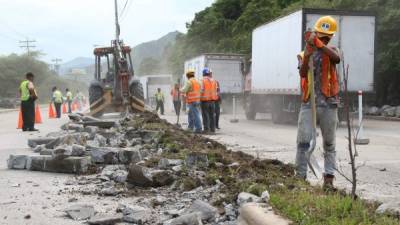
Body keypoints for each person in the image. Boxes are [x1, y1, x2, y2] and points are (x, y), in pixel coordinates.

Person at [296, 16, 341, 190]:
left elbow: (337, 59)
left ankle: (328, 180)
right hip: (309, 104)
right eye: (320, 36)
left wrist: (321, 46)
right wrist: (307, 55)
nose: (323, 39)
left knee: (329, 144)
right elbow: (302, 73)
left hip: (330, 103)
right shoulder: (303, 53)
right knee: (303, 142)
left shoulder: (333, 51)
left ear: (330, 37)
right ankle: (300, 178)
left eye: (326, 37)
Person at [200, 68, 217, 134]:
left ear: (203, 73)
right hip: (212, 101)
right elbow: (215, 90)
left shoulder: (202, 80)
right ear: (209, 73)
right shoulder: (214, 81)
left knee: (205, 115)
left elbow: (201, 90)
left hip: (205, 101)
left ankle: (206, 129)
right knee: (212, 115)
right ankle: (213, 130)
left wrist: (199, 97)